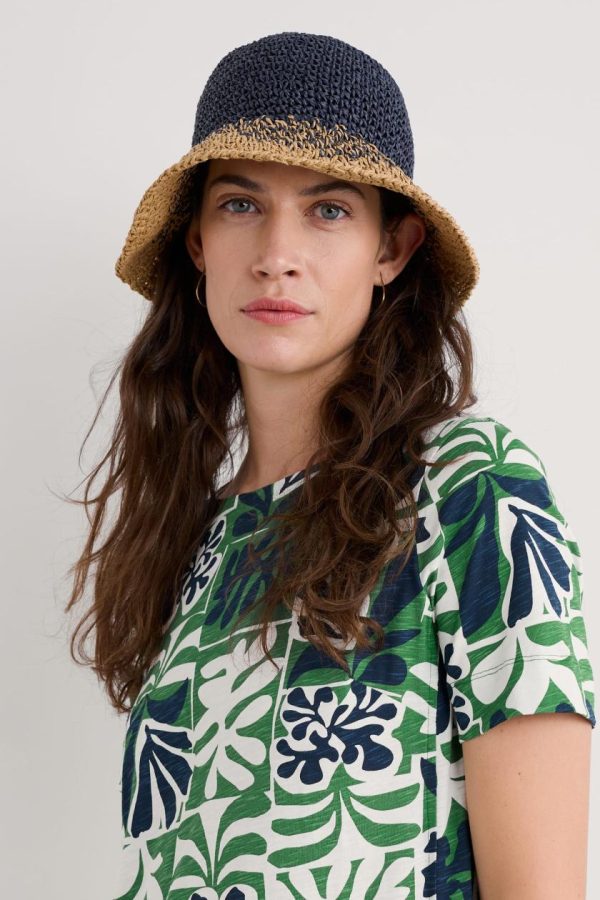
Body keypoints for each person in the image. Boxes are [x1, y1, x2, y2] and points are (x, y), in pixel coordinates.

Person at [65, 31, 596, 899]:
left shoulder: (469, 486)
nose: (277, 252)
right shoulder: (196, 541)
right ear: (197, 242)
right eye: (241, 203)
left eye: (329, 210)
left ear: (393, 250)